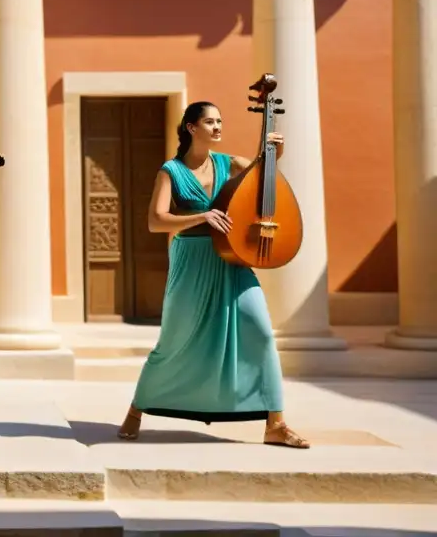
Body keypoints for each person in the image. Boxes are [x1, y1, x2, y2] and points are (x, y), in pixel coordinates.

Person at [116, 101, 309, 449]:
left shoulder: (230, 163)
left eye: (220, 121)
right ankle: (135, 412)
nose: (218, 127)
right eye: (210, 121)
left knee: (262, 334)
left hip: (233, 258)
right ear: (191, 128)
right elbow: (155, 221)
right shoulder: (171, 171)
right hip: (191, 260)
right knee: (174, 341)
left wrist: (273, 158)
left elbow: (262, 187)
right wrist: (200, 217)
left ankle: (275, 423)